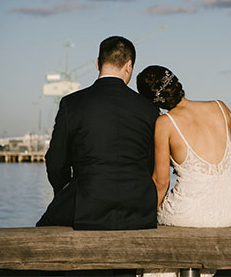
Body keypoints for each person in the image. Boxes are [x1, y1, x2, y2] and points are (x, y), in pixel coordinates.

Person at [37, 36, 159, 230]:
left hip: (87, 204)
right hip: (139, 211)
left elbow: (56, 161)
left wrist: (65, 191)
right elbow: (152, 164)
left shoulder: (72, 103)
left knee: (42, 230)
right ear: (128, 66)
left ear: (97, 63)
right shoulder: (149, 109)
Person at [136, 66, 231, 228]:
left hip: (189, 213)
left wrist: (145, 217)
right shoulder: (220, 107)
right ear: (176, 83)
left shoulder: (165, 123)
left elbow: (161, 182)